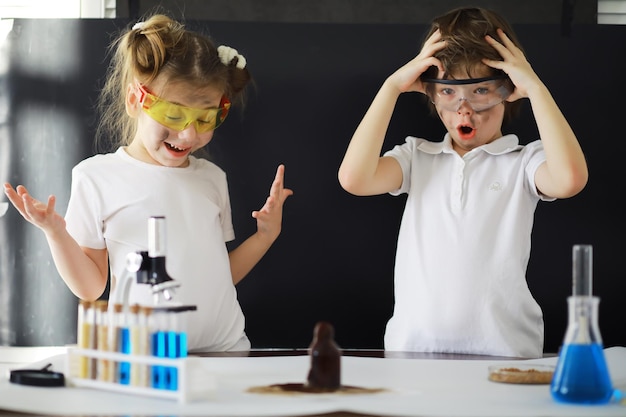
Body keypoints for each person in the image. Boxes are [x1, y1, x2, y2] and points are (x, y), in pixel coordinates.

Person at [3, 14, 293, 352]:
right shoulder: (96, 177)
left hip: (226, 352)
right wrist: (55, 232)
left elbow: (217, 276)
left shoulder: (213, 179)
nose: (189, 134)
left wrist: (265, 236)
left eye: (205, 118)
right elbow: (90, 286)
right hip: (143, 360)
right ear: (134, 100)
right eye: (173, 115)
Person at [338, 7, 588, 358]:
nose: (465, 110)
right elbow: (354, 179)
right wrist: (391, 87)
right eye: (449, 93)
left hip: (506, 352)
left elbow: (569, 180)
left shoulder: (523, 162)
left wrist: (535, 87)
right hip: (414, 352)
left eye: (481, 90)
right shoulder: (417, 157)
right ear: (431, 93)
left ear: (508, 89)